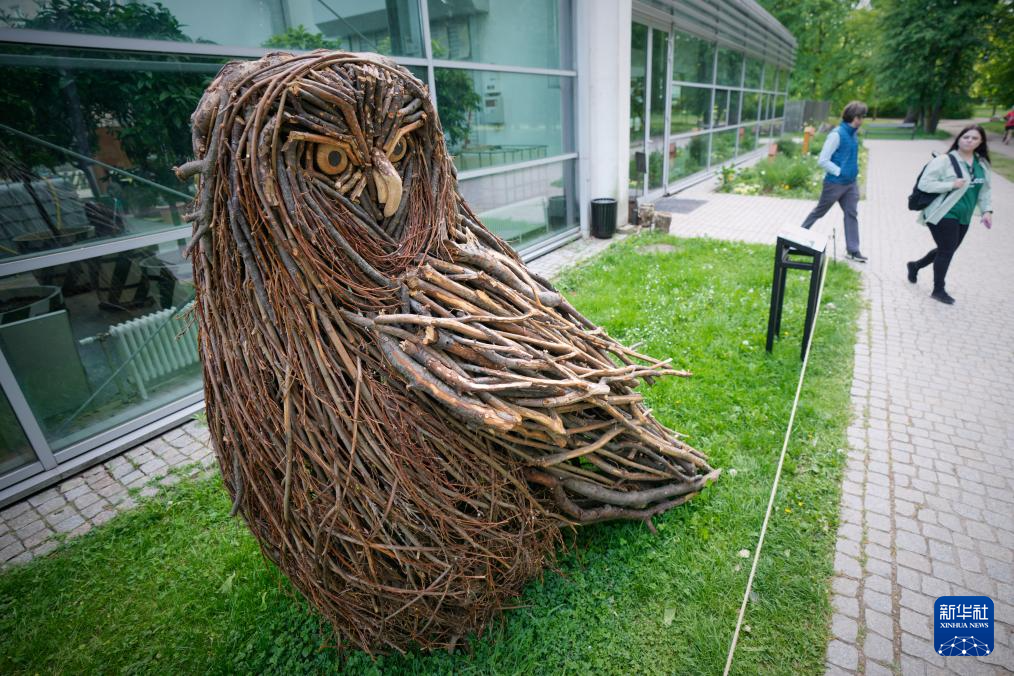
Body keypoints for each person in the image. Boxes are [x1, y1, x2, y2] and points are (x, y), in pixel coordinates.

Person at [906, 125, 993, 304]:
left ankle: (915, 266)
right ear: (959, 139)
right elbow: (924, 184)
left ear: (981, 142)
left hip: (964, 215)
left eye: (974, 138)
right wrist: (951, 185)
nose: (969, 140)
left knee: (947, 249)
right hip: (942, 212)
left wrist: (987, 211)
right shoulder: (944, 160)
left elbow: (984, 191)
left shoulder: (982, 165)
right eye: (966, 137)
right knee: (947, 250)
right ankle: (938, 290)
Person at [801, 101, 869, 262]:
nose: (862, 120)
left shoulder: (853, 135)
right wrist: (839, 171)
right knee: (819, 212)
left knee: (851, 214)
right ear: (854, 117)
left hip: (851, 184)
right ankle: (796, 238)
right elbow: (823, 160)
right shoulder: (837, 134)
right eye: (861, 117)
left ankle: (853, 250)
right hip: (834, 184)